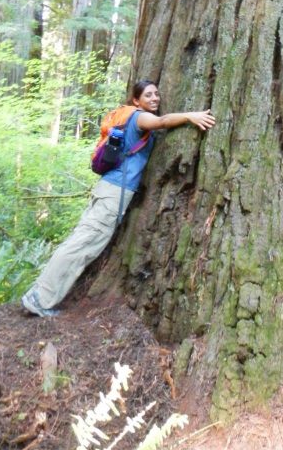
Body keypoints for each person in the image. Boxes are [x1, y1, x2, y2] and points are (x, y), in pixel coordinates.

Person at [21, 80, 215, 317]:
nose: (155, 98)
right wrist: (190, 116)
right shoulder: (138, 117)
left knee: (80, 243)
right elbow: (162, 122)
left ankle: (40, 295)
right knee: (81, 246)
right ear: (136, 100)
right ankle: (39, 298)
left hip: (108, 190)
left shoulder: (125, 117)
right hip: (112, 193)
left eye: (156, 94)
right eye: (148, 95)